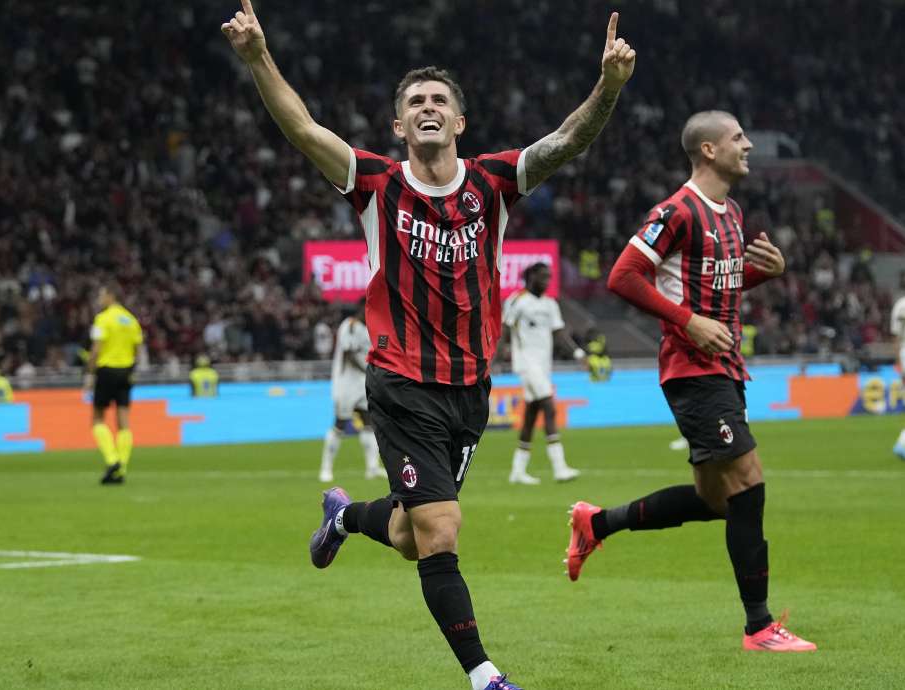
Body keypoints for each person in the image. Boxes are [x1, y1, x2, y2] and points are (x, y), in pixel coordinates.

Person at [223, 3, 637, 687]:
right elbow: (301, 128)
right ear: (398, 124)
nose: (427, 106)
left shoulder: (493, 183)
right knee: (442, 530)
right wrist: (258, 57)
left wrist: (611, 86)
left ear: (459, 121)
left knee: (414, 538)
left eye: (439, 99)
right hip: (401, 382)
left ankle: (346, 517)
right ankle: (485, 675)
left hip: (470, 389)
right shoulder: (377, 183)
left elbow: (567, 139)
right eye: (415, 100)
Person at [567, 110, 816, 652]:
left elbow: (713, 290)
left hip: (724, 367)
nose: (749, 145)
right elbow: (623, 275)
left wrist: (761, 274)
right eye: (738, 138)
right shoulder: (676, 210)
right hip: (693, 370)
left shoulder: (732, 213)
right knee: (748, 482)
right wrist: (685, 322)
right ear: (708, 150)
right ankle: (759, 626)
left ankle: (597, 524)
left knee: (718, 500)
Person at [501, 263, 584, 484]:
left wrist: (577, 352)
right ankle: (559, 467)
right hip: (526, 364)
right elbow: (505, 329)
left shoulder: (550, 304)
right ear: (530, 277)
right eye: (543, 276)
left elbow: (559, 333)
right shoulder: (517, 301)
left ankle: (517, 471)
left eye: (549, 277)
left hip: (543, 365)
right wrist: (502, 354)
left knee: (531, 415)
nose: (547, 280)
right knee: (549, 405)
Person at [319, 300, 382, 483]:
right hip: (346, 383)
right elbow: (348, 353)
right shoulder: (351, 325)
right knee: (340, 423)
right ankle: (326, 468)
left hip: (362, 383)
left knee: (368, 421)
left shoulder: (367, 328)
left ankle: (372, 468)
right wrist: (368, 371)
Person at [87, 284, 143, 485]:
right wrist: (131, 368)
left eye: (101, 294)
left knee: (97, 419)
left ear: (111, 296)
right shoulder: (131, 320)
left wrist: (90, 373)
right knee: (123, 422)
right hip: (126, 371)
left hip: (106, 370)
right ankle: (122, 468)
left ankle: (112, 460)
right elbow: (138, 347)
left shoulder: (103, 319)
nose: (99, 298)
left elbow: (96, 349)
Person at [889, 272, 905, 458]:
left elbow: (895, 337)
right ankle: (902, 444)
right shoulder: (901, 306)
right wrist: (899, 364)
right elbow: (896, 338)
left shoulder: (900, 306)